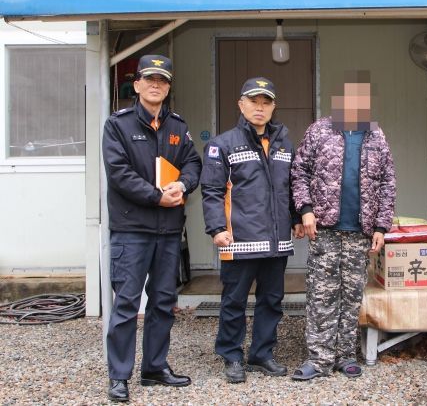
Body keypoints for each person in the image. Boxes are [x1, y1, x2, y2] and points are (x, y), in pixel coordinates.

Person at [102, 54, 201, 402]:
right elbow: (119, 173)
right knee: (127, 304)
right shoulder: (118, 125)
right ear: (138, 84)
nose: (156, 85)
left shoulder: (177, 127)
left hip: (169, 231)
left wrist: (183, 185)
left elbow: (192, 163)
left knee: (163, 302)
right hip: (132, 230)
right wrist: (157, 197)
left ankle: (154, 367)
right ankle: (119, 376)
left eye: (163, 80)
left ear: (168, 87)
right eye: (150, 79)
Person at [290, 71, 396, 380]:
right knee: (322, 294)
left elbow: (388, 183)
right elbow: (299, 171)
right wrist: (305, 210)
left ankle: (345, 355)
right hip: (324, 228)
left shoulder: (376, 136)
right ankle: (319, 359)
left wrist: (381, 227)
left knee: (351, 295)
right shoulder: (320, 130)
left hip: (360, 231)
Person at [200, 77, 302, 383]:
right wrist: (216, 228)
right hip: (239, 239)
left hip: (276, 241)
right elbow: (212, 191)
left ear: (273, 106)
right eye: (253, 102)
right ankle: (232, 355)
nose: (260, 108)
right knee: (234, 301)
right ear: (241, 105)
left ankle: (261, 354)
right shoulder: (222, 144)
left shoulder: (284, 144)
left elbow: (290, 188)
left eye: (265, 102)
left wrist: (296, 218)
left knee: (272, 300)